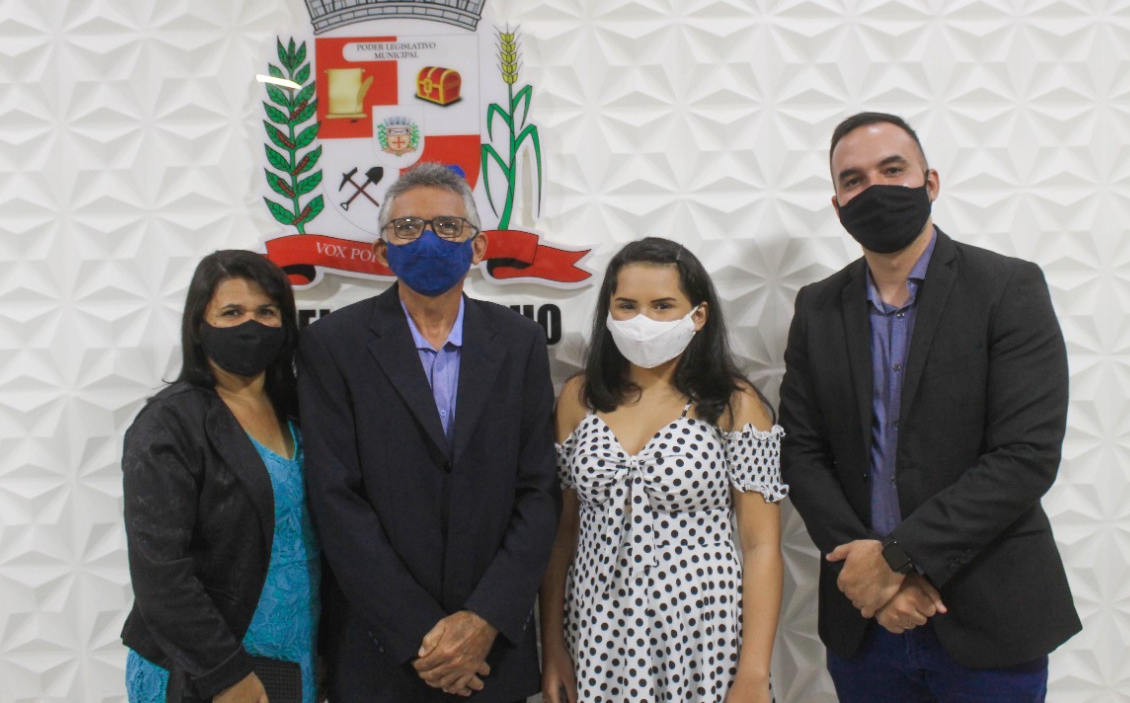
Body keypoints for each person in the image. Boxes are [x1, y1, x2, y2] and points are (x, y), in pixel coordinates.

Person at [779, 111, 1082, 701]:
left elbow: (1025, 455)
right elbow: (802, 453)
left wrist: (897, 560)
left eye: (892, 169)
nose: (875, 188)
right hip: (865, 624)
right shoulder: (817, 307)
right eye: (854, 180)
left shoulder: (1007, 288)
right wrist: (870, 577)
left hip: (988, 617)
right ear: (838, 206)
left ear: (931, 181)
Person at [298, 162, 559, 701]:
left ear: (478, 246)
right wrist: (422, 635)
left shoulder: (520, 343)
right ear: (381, 250)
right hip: (382, 654)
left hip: (491, 655)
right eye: (407, 227)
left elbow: (538, 491)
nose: (428, 239)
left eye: (448, 226)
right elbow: (335, 499)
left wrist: (484, 620)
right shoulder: (334, 345)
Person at [540, 237, 787, 703]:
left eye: (662, 306)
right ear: (608, 311)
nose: (643, 321)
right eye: (627, 305)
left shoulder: (734, 403)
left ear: (699, 315)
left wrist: (754, 671)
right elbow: (560, 537)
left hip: (703, 633)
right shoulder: (579, 397)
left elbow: (761, 546)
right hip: (598, 629)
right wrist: (552, 648)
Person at [121, 250, 320, 703]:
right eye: (231, 312)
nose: (251, 325)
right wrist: (225, 675)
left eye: (266, 312)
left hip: (294, 656)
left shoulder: (299, 412)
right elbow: (160, 572)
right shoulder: (169, 424)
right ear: (199, 325)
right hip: (205, 670)